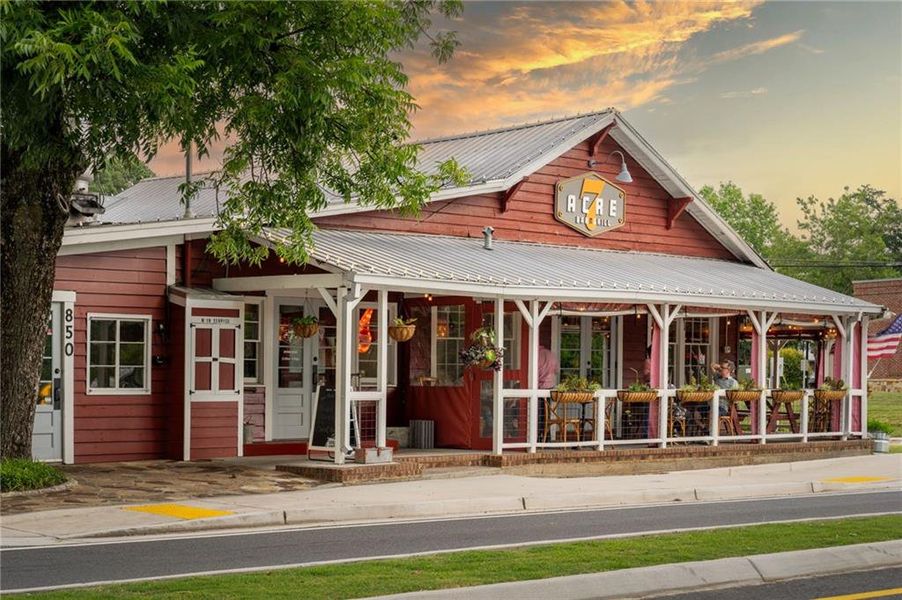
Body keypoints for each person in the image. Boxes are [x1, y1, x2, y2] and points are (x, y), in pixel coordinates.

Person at [537, 345, 558, 441]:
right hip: (550, 386)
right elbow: (556, 370)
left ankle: (538, 436)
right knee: (547, 412)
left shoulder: (536, 354)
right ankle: (547, 436)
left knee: (538, 412)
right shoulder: (551, 354)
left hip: (539, 387)